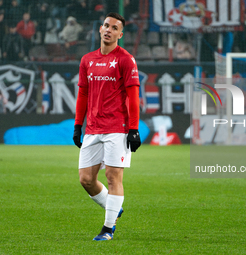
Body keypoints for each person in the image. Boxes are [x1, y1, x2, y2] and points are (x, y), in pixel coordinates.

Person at [73, 12, 141, 241]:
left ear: (120, 34)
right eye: (106, 25)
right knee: (86, 179)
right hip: (92, 127)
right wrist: (77, 125)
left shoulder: (126, 59)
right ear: (100, 29)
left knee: (113, 177)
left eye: (114, 27)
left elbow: (133, 96)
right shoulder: (87, 60)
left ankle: (108, 228)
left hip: (117, 127)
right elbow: (83, 93)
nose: (108, 30)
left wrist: (133, 129)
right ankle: (114, 207)